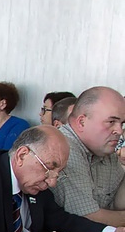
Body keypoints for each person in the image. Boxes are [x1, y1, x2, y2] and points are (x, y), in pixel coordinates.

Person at [50, 87, 125, 224]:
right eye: (111, 122)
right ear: (82, 122)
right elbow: (88, 217)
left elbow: (118, 204)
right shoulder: (64, 148)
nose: (119, 131)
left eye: (122, 123)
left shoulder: (103, 148)